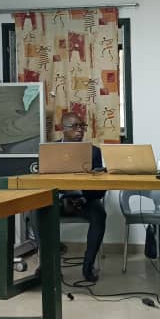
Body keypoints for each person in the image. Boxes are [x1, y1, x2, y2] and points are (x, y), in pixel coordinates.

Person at [57, 112, 106, 283]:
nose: (80, 130)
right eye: (75, 126)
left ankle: (88, 266)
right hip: (58, 200)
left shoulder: (94, 152)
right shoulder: (50, 151)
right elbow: (42, 181)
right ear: (63, 129)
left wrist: (83, 198)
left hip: (84, 200)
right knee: (37, 211)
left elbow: (100, 189)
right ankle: (48, 265)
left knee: (100, 214)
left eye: (82, 126)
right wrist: (62, 198)